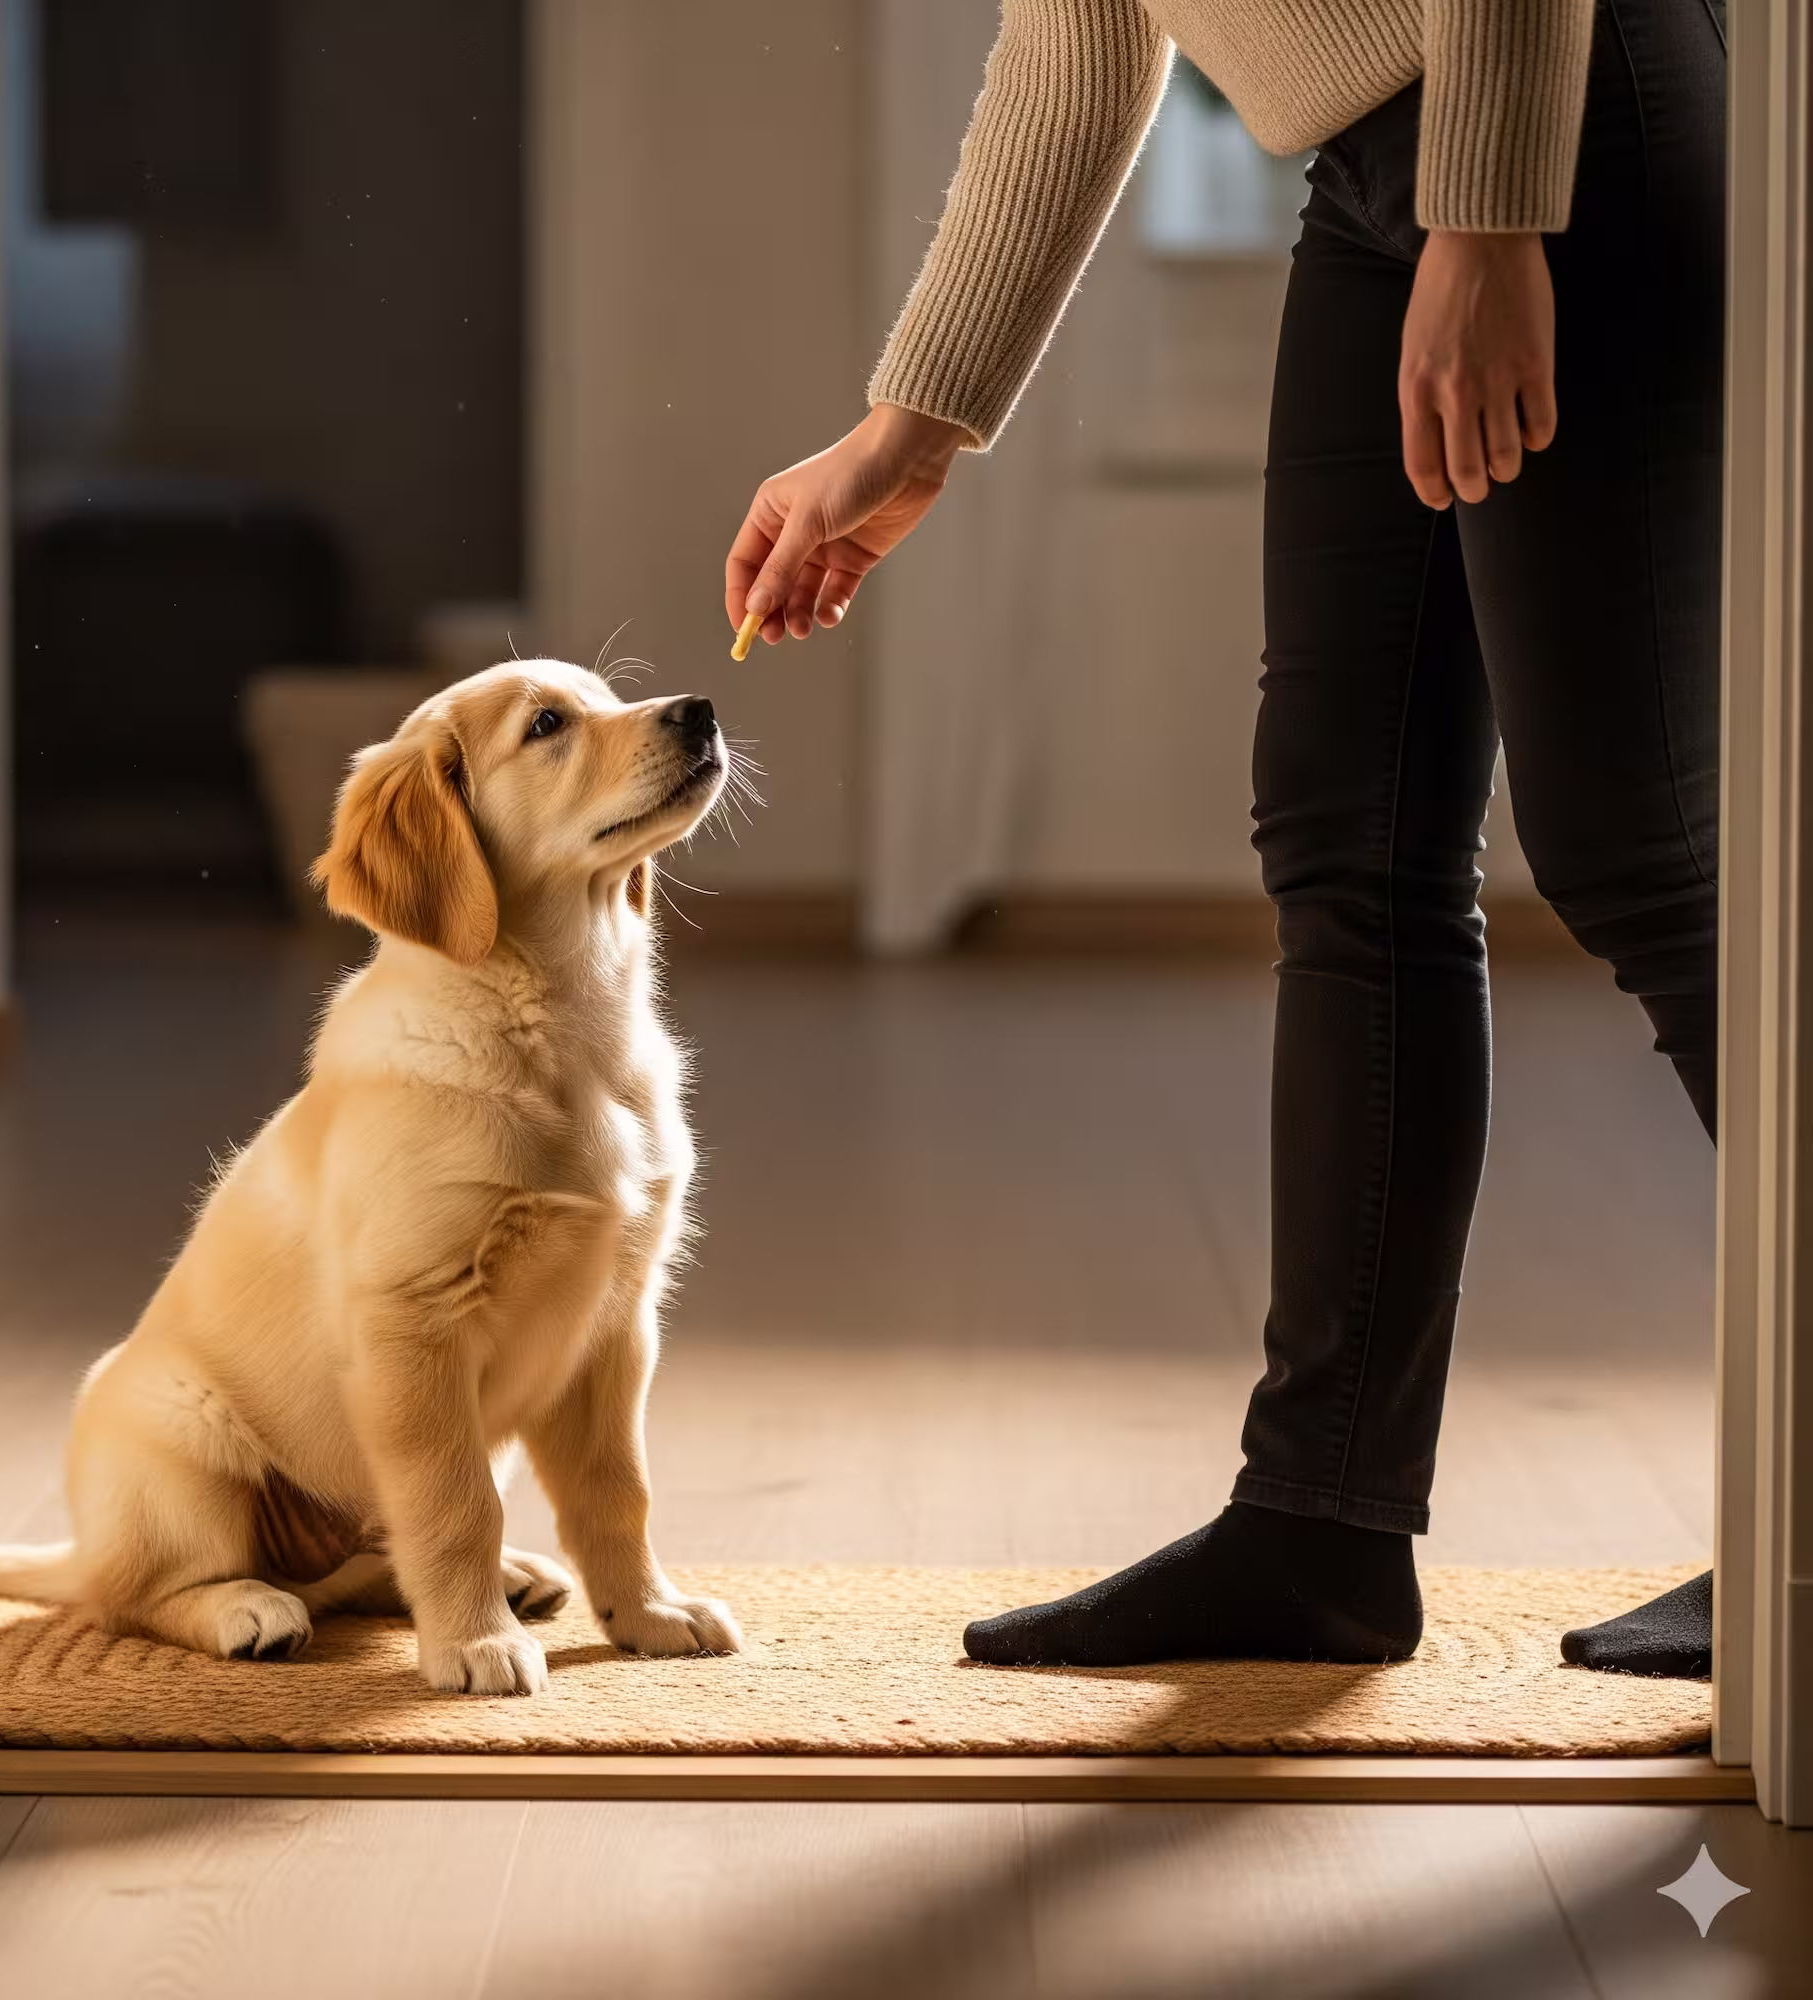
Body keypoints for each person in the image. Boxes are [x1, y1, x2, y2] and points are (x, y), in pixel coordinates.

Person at [725, 0, 1726, 1680]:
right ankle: (1319, 1524)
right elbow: (1079, 33)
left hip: (1554, 120)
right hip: (1379, 178)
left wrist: (1493, 215)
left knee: (1639, 853)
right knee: (1349, 841)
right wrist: (910, 431)